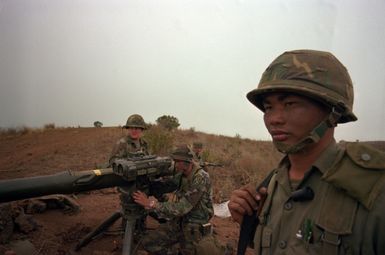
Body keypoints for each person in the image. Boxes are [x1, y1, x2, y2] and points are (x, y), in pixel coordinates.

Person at [228, 49, 385, 255]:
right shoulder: (273, 185)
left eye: (290, 104)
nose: (274, 118)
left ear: (333, 112)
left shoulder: (372, 190)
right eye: (268, 108)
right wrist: (250, 224)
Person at [132, 144, 228, 255]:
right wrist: (148, 182)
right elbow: (167, 185)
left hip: (195, 224)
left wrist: (151, 203)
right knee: (148, 243)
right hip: (180, 221)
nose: (175, 164)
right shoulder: (182, 173)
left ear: (187, 162)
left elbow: (182, 208)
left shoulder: (201, 178)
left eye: (177, 161)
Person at [109, 114, 149, 232]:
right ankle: (127, 233)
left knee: (142, 209)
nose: (134, 131)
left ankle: (140, 231)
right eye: (131, 128)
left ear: (142, 130)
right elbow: (113, 163)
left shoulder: (144, 144)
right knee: (130, 212)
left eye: (137, 128)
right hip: (127, 185)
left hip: (142, 183)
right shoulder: (121, 143)